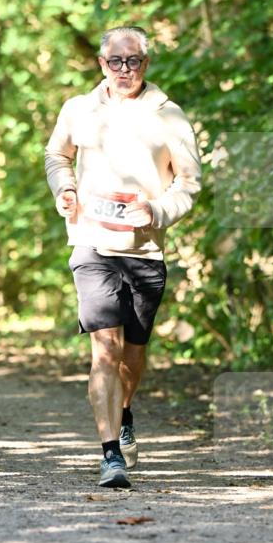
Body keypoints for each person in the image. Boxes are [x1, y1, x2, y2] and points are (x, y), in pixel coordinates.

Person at [45, 25, 201, 489]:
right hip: (91, 243)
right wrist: (65, 189)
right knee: (105, 349)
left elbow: (188, 184)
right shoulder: (78, 109)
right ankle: (110, 453)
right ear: (101, 63)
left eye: (133, 61)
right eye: (115, 61)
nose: (124, 70)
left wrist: (155, 210)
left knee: (132, 356)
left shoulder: (169, 116)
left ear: (145, 65)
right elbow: (57, 155)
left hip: (145, 251)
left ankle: (125, 410)